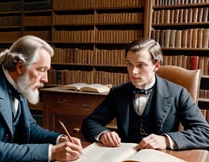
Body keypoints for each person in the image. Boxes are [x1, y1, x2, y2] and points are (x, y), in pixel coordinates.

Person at [81, 38, 209, 150]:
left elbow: (204, 133)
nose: (133, 72)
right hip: (122, 157)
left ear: (156, 66)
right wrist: (103, 133)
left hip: (161, 159)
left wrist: (166, 140)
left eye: (140, 65)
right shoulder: (117, 92)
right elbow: (90, 123)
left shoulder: (178, 93)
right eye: (129, 64)